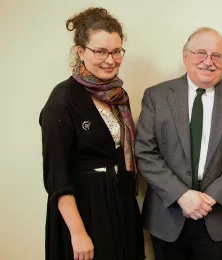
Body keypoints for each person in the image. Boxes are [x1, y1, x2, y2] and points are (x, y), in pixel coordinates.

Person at [135, 27, 222, 260]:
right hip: (168, 215)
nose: (208, 62)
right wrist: (181, 195)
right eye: (201, 53)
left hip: (219, 215)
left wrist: (213, 195)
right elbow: (144, 151)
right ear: (185, 55)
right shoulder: (157, 96)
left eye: (217, 56)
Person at [39, 7, 144, 260]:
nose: (110, 60)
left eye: (116, 51)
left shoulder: (117, 96)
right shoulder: (62, 100)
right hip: (85, 209)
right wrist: (78, 233)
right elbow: (57, 177)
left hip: (119, 201)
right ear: (81, 51)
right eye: (100, 51)